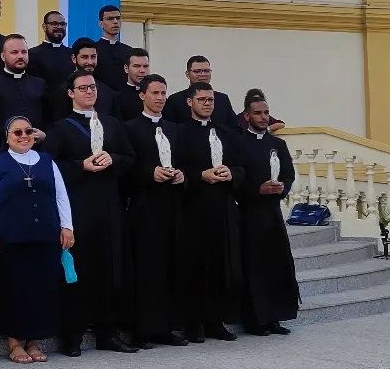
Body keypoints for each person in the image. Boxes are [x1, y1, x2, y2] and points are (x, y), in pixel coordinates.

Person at [46, 70, 137, 356]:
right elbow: (49, 167)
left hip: (109, 208)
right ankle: (72, 336)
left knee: (109, 270)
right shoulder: (61, 128)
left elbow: (131, 160)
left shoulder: (112, 124)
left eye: (92, 87)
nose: (89, 91)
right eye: (82, 87)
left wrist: (115, 158)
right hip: (78, 209)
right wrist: (80, 166)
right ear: (71, 93)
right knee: (77, 271)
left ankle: (107, 333)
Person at [0, 116, 73, 365]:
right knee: (15, 288)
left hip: (45, 236)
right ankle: (14, 342)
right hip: (12, 238)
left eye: (28, 131)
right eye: (17, 132)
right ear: (7, 137)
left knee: (42, 288)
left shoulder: (46, 162)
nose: (23, 136)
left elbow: (61, 195)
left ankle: (34, 340)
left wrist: (67, 227)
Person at [171, 80, 245, 342]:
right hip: (194, 207)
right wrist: (200, 175)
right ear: (190, 102)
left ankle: (216, 321)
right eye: (201, 99)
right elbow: (176, 167)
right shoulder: (179, 132)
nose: (207, 104)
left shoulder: (226, 133)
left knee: (220, 265)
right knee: (194, 265)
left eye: (210, 100)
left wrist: (230, 173)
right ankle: (193, 323)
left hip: (222, 207)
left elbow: (241, 167)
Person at [122, 74, 190, 348]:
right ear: (142, 95)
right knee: (147, 268)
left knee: (171, 265)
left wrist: (182, 175)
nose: (160, 98)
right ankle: (143, 329)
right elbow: (127, 166)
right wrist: (150, 173)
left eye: (163, 93)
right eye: (155, 93)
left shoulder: (175, 129)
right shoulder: (130, 128)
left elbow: (185, 161)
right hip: (145, 205)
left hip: (172, 204)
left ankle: (167, 326)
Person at [234, 91, 301, 336]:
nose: (263, 118)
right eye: (258, 113)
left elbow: (289, 174)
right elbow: (237, 179)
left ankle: (275, 316)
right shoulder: (239, 143)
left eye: (265, 113)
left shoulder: (278, 144)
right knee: (255, 266)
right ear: (246, 115)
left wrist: (283, 187)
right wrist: (256, 190)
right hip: (250, 213)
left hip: (273, 213)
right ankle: (255, 320)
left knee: (277, 265)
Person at [162, 55, 285, 131]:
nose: (202, 74)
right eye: (198, 71)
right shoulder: (175, 100)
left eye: (206, 71)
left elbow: (233, 127)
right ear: (187, 74)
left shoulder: (222, 99)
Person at [0, 34, 48, 157]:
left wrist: (45, 135)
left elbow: (48, 118)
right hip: (1, 151)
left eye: (24, 52)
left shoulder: (39, 84)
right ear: (3, 56)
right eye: (14, 52)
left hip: (37, 151)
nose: (20, 56)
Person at [45, 38, 120, 121]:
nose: (90, 62)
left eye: (93, 57)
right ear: (74, 58)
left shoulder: (107, 92)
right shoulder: (61, 91)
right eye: (85, 57)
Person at [28, 10, 73, 89]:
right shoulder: (32, 54)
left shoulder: (72, 54)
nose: (59, 27)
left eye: (62, 24)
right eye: (54, 24)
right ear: (44, 27)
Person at [94, 5, 132, 92]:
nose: (115, 22)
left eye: (118, 18)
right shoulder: (94, 50)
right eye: (110, 19)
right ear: (101, 24)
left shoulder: (129, 51)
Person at [114, 48, 151, 122]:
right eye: (136, 66)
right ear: (126, 68)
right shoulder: (116, 98)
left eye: (145, 66)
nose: (142, 71)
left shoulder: (156, 94)